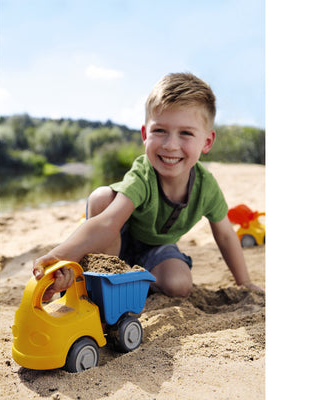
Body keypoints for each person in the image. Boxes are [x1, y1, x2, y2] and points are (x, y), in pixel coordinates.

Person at [33, 72, 264, 301]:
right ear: (145, 134)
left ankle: (133, 280)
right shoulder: (143, 175)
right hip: (114, 241)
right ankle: (95, 279)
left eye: (185, 133)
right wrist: (57, 256)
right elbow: (108, 223)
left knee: (180, 285)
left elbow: (225, 235)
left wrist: (244, 283)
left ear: (207, 142)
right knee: (101, 198)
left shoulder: (206, 187)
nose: (171, 145)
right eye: (160, 131)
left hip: (156, 249)